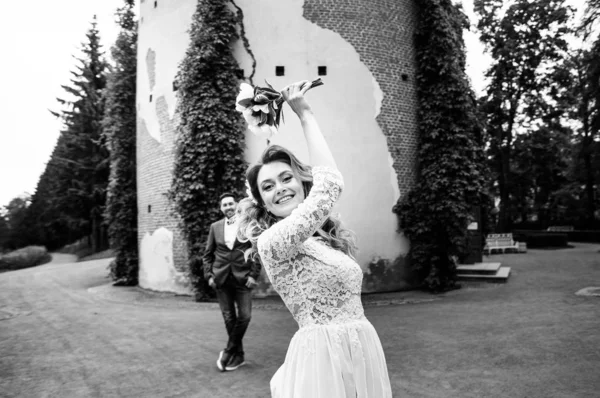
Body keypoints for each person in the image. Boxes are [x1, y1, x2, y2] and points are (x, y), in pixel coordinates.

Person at [237, 81, 392, 397]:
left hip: (360, 349)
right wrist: (305, 114)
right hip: (323, 360)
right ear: (262, 202)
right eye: (268, 187)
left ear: (300, 181)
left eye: (285, 178)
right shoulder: (272, 242)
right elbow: (330, 185)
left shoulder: (321, 240)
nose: (279, 188)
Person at [203, 193, 261, 372]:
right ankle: (239, 355)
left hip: (243, 278)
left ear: (236, 205)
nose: (227, 207)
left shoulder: (247, 225)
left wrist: (254, 274)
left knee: (245, 316)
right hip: (221, 278)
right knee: (229, 317)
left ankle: (229, 351)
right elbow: (208, 254)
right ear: (221, 208)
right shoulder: (215, 227)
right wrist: (209, 276)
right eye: (224, 205)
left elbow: (255, 250)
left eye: (230, 204)